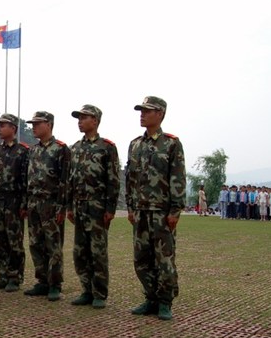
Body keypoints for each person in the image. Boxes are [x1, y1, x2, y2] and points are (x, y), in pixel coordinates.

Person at [125, 96, 186, 321]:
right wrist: (130, 207)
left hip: (161, 212)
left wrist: (175, 210)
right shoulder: (135, 145)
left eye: (147, 111)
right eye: (141, 111)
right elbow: (130, 178)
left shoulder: (171, 144)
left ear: (160, 114)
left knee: (164, 259)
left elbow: (178, 178)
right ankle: (150, 298)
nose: (142, 115)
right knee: (141, 259)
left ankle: (165, 301)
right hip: (140, 211)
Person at [67, 105, 120, 309]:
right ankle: (86, 290)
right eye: (78, 118)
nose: (80, 121)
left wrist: (110, 209)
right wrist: (69, 206)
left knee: (98, 252)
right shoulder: (75, 148)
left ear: (95, 120)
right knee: (80, 252)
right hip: (79, 207)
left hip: (97, 208)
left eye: (84, 118)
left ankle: (99, 293)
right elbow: (70, 181)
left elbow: (113, 180)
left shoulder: (107, 147)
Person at [24, 111, 71, 302]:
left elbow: (65, 181)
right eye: (33, 124)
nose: (34, 127)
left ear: (49, 124)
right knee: (36, 243)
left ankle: (55, 284)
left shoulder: (61, 149)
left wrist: (62, 207)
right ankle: (42, 281)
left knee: (53, 245)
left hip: (51, 203)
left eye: (38, 123)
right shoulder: (33, 150)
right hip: (34, 203)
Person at [0, 113, 29, 292]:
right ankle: (3, 275)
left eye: (2, 125)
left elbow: (26, 180)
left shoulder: (23, 151)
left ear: (13, 128)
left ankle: (15, 277)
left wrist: (23, 204)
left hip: (14, 202)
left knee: (14, 242)